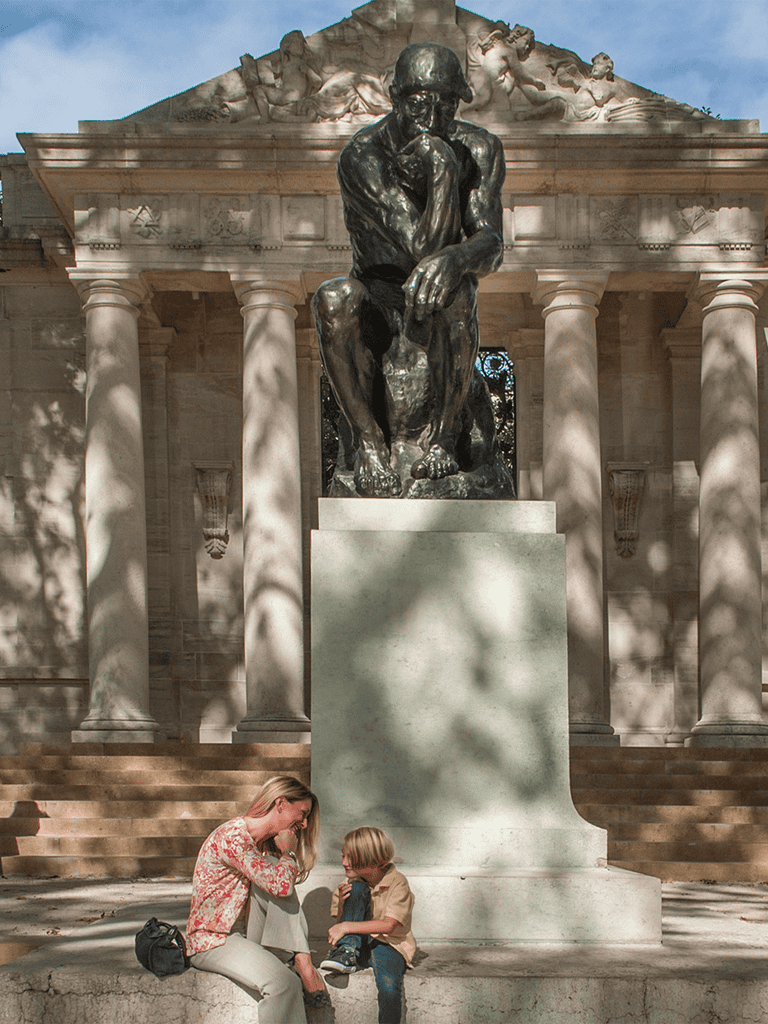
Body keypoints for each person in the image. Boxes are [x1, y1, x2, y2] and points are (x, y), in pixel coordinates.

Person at [312, 43, 505, 498]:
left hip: (438, 300)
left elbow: (491, 243)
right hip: (378, 304)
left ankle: (443, 437)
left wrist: (456, 259)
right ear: (394, 95)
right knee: (333, 297)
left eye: (446, 102)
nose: (433, 113)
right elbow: (421, 246)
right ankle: (369, 441)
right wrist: (441, 168)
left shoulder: (480, 147)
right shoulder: (362, 156)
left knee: (457, 288)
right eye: (419, 99)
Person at [186, 775, 326, 1024]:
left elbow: (279, 890)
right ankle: (301, 961)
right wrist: (289, 853)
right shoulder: (234, 837)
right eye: (302, 813)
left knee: (273, 865)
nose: (304, 824)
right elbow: (280, 886)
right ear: (280, 803)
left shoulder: (262, 844)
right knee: (284, 984)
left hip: (243, 934)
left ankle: (300, 958)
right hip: (213, 939)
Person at [320, 826, 416, 1024]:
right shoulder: (351, 883)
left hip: (389, 944)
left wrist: (346, 926)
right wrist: (344, 909)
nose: (343, 862)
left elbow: (389, 925)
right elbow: (339, 923)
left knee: (388, 983)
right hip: (358, 944)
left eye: (350, 857)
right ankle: (347, 953)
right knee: (356, 888)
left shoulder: (397, 882)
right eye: (343, 856)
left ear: (372, 859)